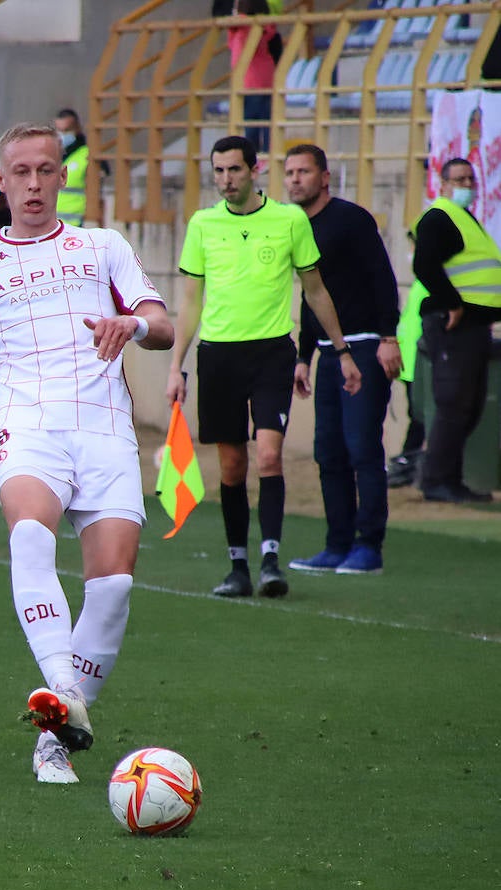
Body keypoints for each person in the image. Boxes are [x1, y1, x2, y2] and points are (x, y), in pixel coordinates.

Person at [0, 122, 174, 785]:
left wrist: (133, 323)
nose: (34, 183)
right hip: (27, 426)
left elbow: (162, 323)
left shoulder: (102, 246)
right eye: (20, 172)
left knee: (112, 587)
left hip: (106, 429)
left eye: (46, 170)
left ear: (64, 176)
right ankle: (61, 689)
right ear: (0, 180)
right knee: (30, 537)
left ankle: (56, 733)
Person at [166, 135, 362, 599]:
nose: (225, 180)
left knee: (269, 456)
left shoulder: (289, 219)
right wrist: (176, 365)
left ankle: (271, 560)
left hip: (272, 353)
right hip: (218, 356)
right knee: (232, 467)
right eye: (218, 171)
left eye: (234, 170)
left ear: (255, 170)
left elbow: (314, 290)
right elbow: (190, 300)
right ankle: (239, 566)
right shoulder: (202, 224)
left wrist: (342, 350)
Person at [282, 144, 400, 576]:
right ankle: (337, 544)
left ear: (325, 177)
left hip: (366, 345)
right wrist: (303, 356)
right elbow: (312, 297)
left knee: (361, 447)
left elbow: (382, 278)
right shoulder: (293, 225)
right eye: (289, 172)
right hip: (328, 354)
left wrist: (389, 337)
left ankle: (369, 546)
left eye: (304, 172)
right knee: (327, 450)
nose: (295, 179)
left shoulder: (351, 220)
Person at [413, 157, 501, 503]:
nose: (466, 185)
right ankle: (436, 480)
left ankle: (450, 479)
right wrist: (451, 303)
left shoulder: (465, 220)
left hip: (474, 327)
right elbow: (425, 265)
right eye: (458, 179)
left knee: (470, 405)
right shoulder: (440, 217)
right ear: (444, 183)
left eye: (469, 179)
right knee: (454, 404)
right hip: (453, 326)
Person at [386, 279, 427, 488]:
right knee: (421, 418)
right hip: (419, 360)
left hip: (411, 357)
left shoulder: (423, 279)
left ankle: (407, 462)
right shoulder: (436, 278)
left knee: (418, 417)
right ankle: (406, 463)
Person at [226, 0, 276, 154]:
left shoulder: (245, 27)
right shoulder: (262, 27)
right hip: (263, 79)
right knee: (265, 121)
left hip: (251, 81)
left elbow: (234, 24)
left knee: (252, 123)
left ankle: (255, 157)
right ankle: (266, 154)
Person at [54, 108, 107, 227]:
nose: (62, 135)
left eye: (66, 130)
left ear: (77, 129)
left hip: (77, 224)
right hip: (52, 226)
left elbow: (98, 193)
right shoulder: (53, 154)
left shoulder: (88, 155)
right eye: (59, 130)